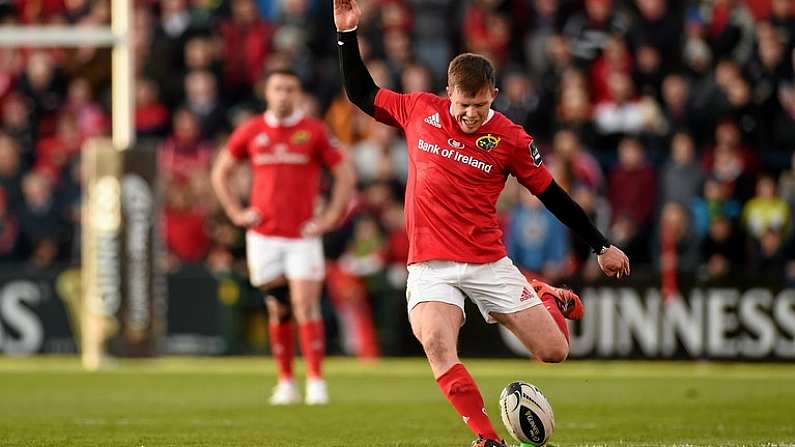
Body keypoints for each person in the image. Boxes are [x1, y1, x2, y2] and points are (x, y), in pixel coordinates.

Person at [333, 1, 630, 446]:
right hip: (430, 265)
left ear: (492, 94)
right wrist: (348, 34)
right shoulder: (419, 111)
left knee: (554, 352)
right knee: (436, 343)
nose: (469, 113)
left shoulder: (511, 138)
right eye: (462, 104)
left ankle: (545, 295)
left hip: (487, 261)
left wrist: (600, 245)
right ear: (448, 93)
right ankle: (487, 438)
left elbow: (552, 195)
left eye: (478, 104)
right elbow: (361, 93)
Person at [211, 69, 356, 405]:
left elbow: (345, 172)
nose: (283, 95)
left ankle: (317, 382)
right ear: (268, 93)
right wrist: (236, 213)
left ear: (298, 94)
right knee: (279, 310)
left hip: (302, 236)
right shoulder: (252, 131)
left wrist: (330, 216)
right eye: (277, 89)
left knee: (306, 305)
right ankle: (286, 382)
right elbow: (221, 171)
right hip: (264, 235)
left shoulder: (313, 131)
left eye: (289, 89)